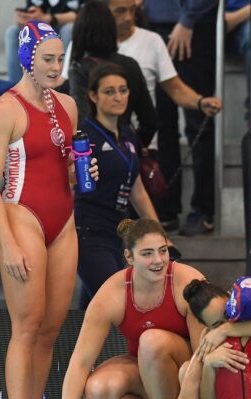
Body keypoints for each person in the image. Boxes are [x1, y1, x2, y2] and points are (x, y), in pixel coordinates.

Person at [54, 219, 251, 399]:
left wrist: (223, 331)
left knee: (151, 342)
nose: (158, 260)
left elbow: (201, 358)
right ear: (129, 257)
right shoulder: (111, 294)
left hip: (201, 374)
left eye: (163, 250)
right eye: (147, 253)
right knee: (98, 391)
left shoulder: (187, 282)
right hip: (153, 375)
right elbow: (80, 362)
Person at [0, 20, 97, 399]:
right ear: (27, 58)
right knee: (26, 327)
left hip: (62, 221)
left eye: (59, 58)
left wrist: (80, 172)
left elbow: (61, 169)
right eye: (47, 58)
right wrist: (8, 241)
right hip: (22, 217)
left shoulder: (68, 105)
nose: (55, 66)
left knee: (49, 330)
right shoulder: (4, 110)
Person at [105, 0, 222, 235]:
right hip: (153, 20)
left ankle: (202, 210)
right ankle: (166, 209)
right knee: (162, 124)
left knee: (196, 124)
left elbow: (178, 90)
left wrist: (188, 20)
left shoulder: (150, 42)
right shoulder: (131, 38)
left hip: (189, 26)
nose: (126, 16)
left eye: (128, 11)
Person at [75, 63, 159, 309]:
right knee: (117, 303)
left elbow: (137, 188)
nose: (118, 97)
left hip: (119, 233)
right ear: (93, 96)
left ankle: (78, 335)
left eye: (123, 90)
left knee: (93, 309)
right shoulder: (84, 135)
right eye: (109, 91)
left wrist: (157, 231)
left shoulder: (127, 133)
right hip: (89, 232)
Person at [66, 1, 156, 148]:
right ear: (112, 28)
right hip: (126, 148)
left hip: (94, 153)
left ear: (79, 32)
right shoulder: (130, 65)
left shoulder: (79, 69)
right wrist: (131, 149)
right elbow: (149, 122)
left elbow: (83, 121)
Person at [4, 0, 83, 82]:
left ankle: (63, 83)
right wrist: (25, 18)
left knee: (68, 30)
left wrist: (49, 18)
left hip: (67, 27)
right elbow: (32, 8)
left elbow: (83, 14)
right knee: (13, 32)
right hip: (42, 26)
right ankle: (16, 85)